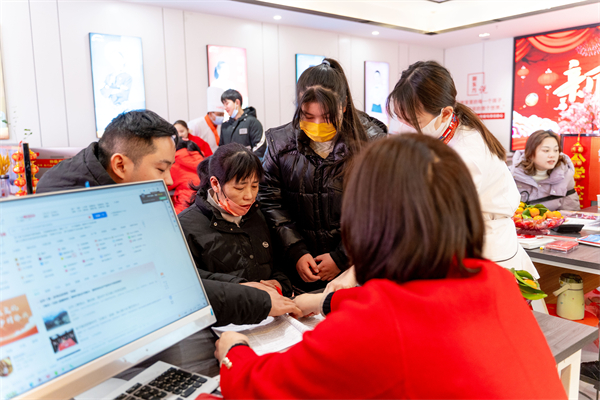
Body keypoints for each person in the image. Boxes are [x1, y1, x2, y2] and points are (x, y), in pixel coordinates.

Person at [215, 135, 566, 399]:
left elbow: (260, 387)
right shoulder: (494, 280)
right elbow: (411, 306)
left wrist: (233, 349)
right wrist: (325, 301)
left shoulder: (373, 329)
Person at [36, 110, 299, 326]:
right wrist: (255, 298)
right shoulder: (68, 203)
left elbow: (173, 274)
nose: (170, 180)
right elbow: (163, 284)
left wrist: (248, 289)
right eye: (161, 169)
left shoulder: (120, 190)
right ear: (120, 165)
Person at [386, 60, 538, 278]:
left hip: (487, 249)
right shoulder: (444, 133)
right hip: (461, 241)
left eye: (412, 120)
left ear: (445, 113)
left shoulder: (468, 152)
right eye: (401, 118)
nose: (404, 127)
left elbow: (436, 213)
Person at [259, 58, 370, 292]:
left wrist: (342, 257)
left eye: (327, 116)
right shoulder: (279, 144)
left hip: (356, 269)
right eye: (308, 116)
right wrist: (296, 251)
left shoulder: (370, 143)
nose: (318, 124)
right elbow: (270, 201)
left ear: (344, 106)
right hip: (298, 271)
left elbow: (378, 209)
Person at [178, 143, 292, 300]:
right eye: (240, 188)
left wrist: (279, 283)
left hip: (268, 307)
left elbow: (277, 261)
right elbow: (190, 283)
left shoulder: (257, 214)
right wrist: (241, 289)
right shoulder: (186, 226)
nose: (249, 196)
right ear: (215, 184)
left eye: (255, 186)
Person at [511, 129, 580, 211]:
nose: (552, 155)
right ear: (530, 153)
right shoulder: (511, 175)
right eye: (546, 150)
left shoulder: (565, 175)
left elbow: (571, 212)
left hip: (554, 219)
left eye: (556, 150)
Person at [220, 89, 266, 158]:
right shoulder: (225, 126)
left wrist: (249, 162)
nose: (225, 107)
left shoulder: (252, 122)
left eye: (227, 104)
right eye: (223, 104)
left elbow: (260, 147)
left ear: (237, 102)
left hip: (250, 163)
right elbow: (221, 149)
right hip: (230, 164)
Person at [168, 140, 204, 214]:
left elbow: (166, 184)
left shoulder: (176, 161)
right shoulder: (201, 159)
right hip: (201, 206)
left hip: (183, 206)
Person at [188, 87, 225, 153]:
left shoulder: (221, 126)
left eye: (222, 114)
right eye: (219, 114)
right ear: (210, 113)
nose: (221, 117)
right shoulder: (195, 125)